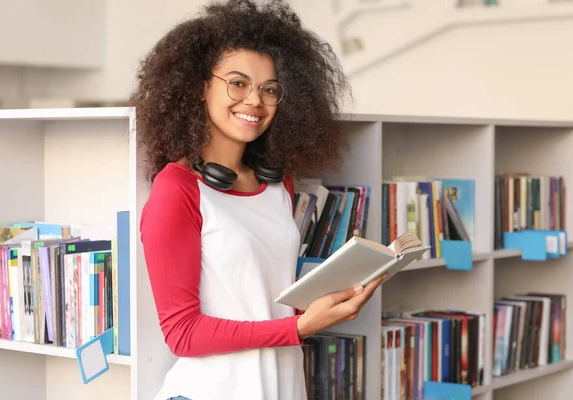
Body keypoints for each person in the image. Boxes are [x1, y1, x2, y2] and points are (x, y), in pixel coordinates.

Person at [130, 1, 386, 399]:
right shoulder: (177, 189)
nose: (255, 100)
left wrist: (328, 300)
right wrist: (298, 328)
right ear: (200, 87)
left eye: (269, 89)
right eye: (237, 82)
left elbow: (262, 300)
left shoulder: (277, 184)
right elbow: (182, 334)